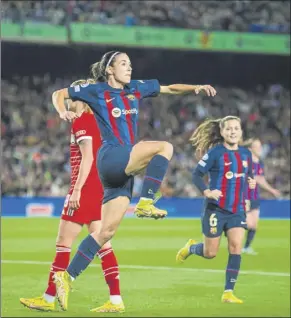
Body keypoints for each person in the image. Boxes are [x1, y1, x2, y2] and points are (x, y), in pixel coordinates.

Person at [51, 50, 217, 311]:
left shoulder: (136, 88)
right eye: (123, 64)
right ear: (109, 70)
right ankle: (146, 201)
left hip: (122, 168)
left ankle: (66, 276)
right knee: (164, 147)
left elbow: (170, 89)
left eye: (130, 64)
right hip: (113, 155)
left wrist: (195, 87)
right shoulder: (95, 90)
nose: (129, 68)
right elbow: (59, 94)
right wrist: (63, 112)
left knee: (104, 232)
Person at [20, 78, 125, 313]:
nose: (68, 100)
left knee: (63, 244)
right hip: (99, 188)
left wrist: (76, 190)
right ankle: (116, 300)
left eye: (71, 97)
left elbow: (87, 157)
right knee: (104, 245)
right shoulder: (96, 121)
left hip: (85, 189)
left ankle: (48, 299)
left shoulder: (83, 121)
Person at [176, 116, 256, 304]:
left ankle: (228, 292)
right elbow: (196, 175)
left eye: (236, 128)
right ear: (222, 132)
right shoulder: (215, 153)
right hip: (216, 209)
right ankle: (191, 248)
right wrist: (207, 191)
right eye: (229, 129)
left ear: (241, 132)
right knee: (210, 253)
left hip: (237, 210)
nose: (233, 131)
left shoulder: (246, 154)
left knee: (236, 247)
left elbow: (249, 176)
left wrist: (250, 185)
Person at [241, 138, 281, 255]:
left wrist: (271, 189)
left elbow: (260, 179)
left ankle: (246, 247)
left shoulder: (259, 162)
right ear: (250, 148)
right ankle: (233, 238)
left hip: (254, 196)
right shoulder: (246, 161)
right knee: (247, 223)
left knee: (254, 224)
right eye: (256, 146)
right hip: (244, 196)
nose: (259, 148)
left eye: (260, 146)